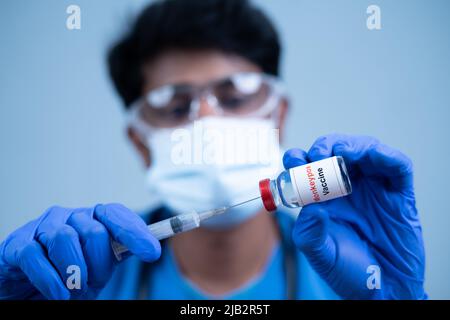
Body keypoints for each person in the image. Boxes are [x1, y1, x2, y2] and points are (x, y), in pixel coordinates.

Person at [0, 0, 426, 300]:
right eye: (175, 105)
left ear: (277, 117)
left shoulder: (353, 271)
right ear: (140, 141)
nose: (207, 122)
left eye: (236, 94)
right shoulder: (77, 280)